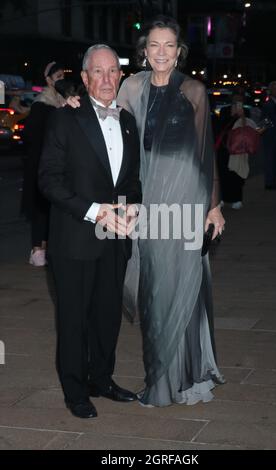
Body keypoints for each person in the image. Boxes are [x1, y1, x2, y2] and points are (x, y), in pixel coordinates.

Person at [68, 16, 225, 408]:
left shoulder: (194, 90)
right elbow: (101, 108)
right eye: (153, 45)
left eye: (168, 45)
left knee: (183, 288)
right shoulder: (132, 86)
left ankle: (183, 381)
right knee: (153, 291)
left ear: (178, 51)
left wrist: (215, 206)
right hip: (146, 205)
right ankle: (159, 376)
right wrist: (74, 101)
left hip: (187, 201)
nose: (161, 52)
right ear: (143, 50)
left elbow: (207, 154)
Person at [39, 45, 142, 418]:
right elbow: (48, 180)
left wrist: (133, 206)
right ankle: (75, 390)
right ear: (84, 79)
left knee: (106, 315)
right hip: (74, 239)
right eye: (97, 72)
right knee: (73, 319)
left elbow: (131, 180)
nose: (106, 79)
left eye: (113, 71)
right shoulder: (65, 119)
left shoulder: (128, 121)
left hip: (115, 240)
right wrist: (95, 211)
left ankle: (102, 378)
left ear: (121, 76)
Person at [22, 62, 66, 266]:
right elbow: (31, 135)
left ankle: (48, 247)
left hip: (56, 164)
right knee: (40, 207)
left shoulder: (62, 101)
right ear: (48, 80)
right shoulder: (42, 103)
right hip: (40, 163)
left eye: (62, 76)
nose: (61, 80)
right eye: (57, 77)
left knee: (52, 207)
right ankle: (37, 249)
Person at [216, 92, 250, 209]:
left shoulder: (246, 112)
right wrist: (233, 116)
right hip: (225, 147)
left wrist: (242, 116)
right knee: (223, 172)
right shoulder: (224, 111)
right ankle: (223, 198)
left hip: (239, 147)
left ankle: (237, 198)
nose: (237, 103)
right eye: (235, 101)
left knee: (237, 172)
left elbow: (247, 128)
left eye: (240, 101)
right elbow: (221, 126)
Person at [261, 81, 276, 190]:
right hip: (270, 136)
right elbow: (264, 120)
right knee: (269, 159)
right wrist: (270, 128)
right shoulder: (268, 104)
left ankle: (275, 181)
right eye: (275, 89)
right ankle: (269, 183)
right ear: (271, 90)